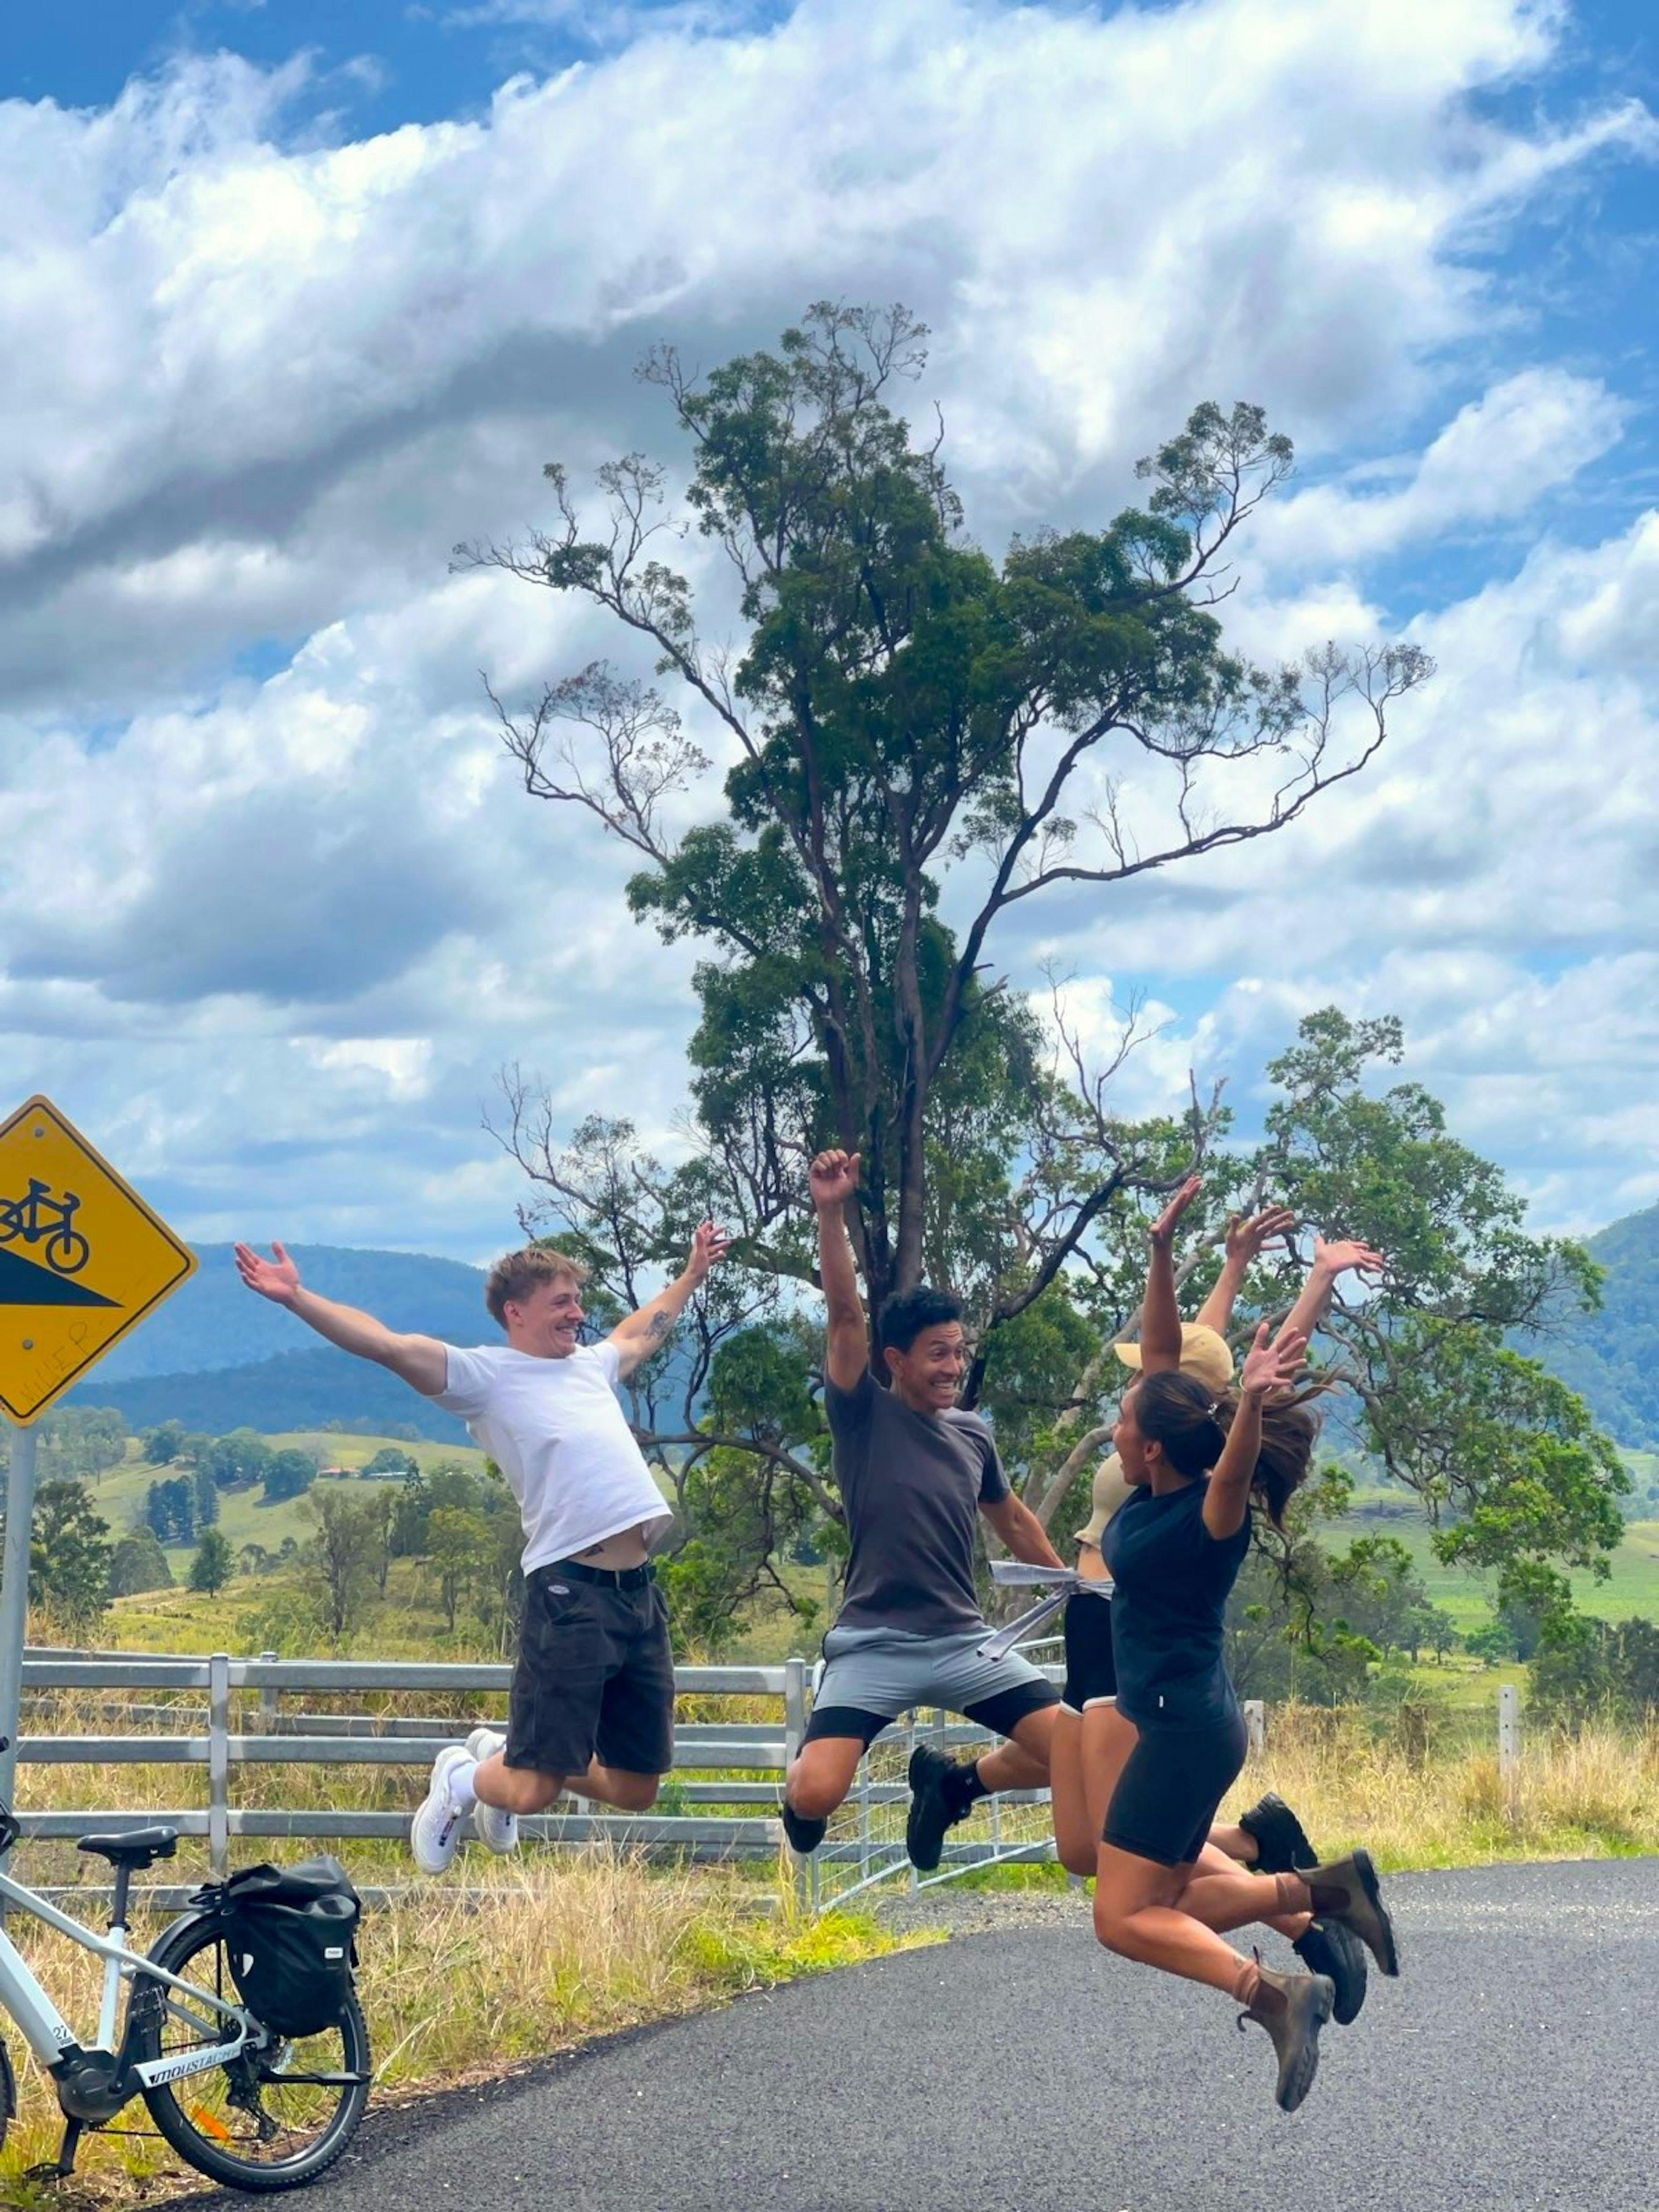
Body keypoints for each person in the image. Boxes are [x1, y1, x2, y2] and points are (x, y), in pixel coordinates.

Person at [234, 1226, 730, 1874]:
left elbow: (641, 1331)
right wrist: (299, 1298)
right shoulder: (485, 1377)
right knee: (533, 1790)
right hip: (571, 1595)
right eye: (561, 1302)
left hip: (639, 1597)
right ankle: (466, 1778)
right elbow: (386, 1345)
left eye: (578, 1300)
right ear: (515, 1313)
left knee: (637, 1789)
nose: (577, 1313)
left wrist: (692, 1274)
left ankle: (502, 1752)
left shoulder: (592, 1366)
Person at [1078, 1177, 1399, 2113]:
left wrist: (1254, 1402)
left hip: (1180, 1730)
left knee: (1119, 1915)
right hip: (1184, 1718)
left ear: (1147, 1452)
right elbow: (1167, 1355)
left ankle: (1274, 1991)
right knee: (1164, 1898)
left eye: (1126, 1419)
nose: (1118, 1415)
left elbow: (1226, 1473)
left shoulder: (1199, 1517)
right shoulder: (1150, 1481)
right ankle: (1323, 1888)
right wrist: (1161, 1250)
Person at [782, 1149, 1069, 1871]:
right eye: (937, 1354)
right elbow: (845, 1314)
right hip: (874, 1643)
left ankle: (954, 1786)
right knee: (819, 1793)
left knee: (1084, 1754)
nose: (953, 1367)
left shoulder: (974, 1435)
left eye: (960, 1353)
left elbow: (1012, 1520)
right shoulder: (862, 1417)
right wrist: (830, 1211)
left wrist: (1074, 1588)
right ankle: (798, 1801)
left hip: (963, 1642)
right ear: (895, 1362)